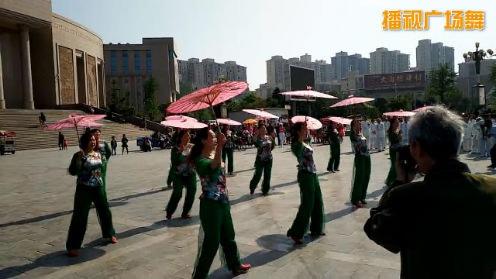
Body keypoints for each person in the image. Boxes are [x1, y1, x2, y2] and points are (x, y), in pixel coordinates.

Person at [364, 106, 496, 279]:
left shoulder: (406, 197)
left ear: (416, 148)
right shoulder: (491, 188)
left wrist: (399, 181)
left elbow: (375, 228)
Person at [189, 128, 251, 278]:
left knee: (229, 235)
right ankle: (200, 276)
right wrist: (221, 146)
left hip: (222, 201)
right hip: (210, 205)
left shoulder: (213, 153)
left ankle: (235, 265)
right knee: (212, 242)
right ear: (204, 140)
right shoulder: (199, 159)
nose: (215, 138)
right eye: (212, 137)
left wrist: (219, 147)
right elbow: (214, 166)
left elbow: (220, 169)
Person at [66, 132, 117, 257]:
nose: (93, 142)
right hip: (84, 189)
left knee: (105, 211)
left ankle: (109, 234)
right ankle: (73, 245)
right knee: (80, 216)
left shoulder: (99, 154)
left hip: (98, 187)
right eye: (90, 140)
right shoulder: (78, 155)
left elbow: (106, 156)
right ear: (84, 142)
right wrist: (79, 159)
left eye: (94, 140)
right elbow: (73, 171)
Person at [286, 122, 325, 244]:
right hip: (305, 175)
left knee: (318, 201)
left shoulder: (305, 142)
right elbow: (299, 154)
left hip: (313, 174)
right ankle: (296, 233)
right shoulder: (296, 145)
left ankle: (316, 228)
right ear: (298, 131)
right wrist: (302, 140)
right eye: (304, 128)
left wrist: (306, 139)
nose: (306, 129)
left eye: (306, 128)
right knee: (307, 203)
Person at [165, 130, 197, 219]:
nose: (189, 137)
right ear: (181, 138)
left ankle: (185, 212)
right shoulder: (175, 149)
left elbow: (197, 158)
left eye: (189, 135)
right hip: (178, 174)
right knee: (177, 193)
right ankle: (169, 211)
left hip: (190, 173)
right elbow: (174, 162)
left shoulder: (192, 147)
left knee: (192, 191)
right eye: (186, 136)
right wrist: (180, 152)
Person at [350, 118, 371, 208]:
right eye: (357, 123)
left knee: (366, 177)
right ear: (354, 125)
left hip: (367, 157)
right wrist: (356, 131)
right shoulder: (353, 134)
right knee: (359, 178)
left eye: (359, 122)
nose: (360, 124)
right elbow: (357, 144)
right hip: (360, 158)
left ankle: (362, 196)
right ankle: (356, 199)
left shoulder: (361, 133)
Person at [249, 124, 275, 195]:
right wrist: (256, 134)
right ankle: (252, 187)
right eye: (262, 128)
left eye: (265, 128)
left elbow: (272, 146)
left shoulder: (269, 137)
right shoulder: (257, 138)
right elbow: (254, 141)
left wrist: (267, 152)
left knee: (267, 175)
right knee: (258, 174)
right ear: (259, 130)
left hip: (269, 159)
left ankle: (265, 190)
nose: (264, 129)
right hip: (260, 159)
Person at [385, 117, 402, 187]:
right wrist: (398, 135)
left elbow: (400, 139)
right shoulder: (391, 131)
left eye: (398, 122)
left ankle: (393, 179)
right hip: (393, 150)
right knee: (394, 165)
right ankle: (389, 180)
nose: (398, 123)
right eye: (396, 122)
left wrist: (399, 134)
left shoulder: (397, 130)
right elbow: (394, 140)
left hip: (398, 149)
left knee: (397, 165)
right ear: (392, 124)